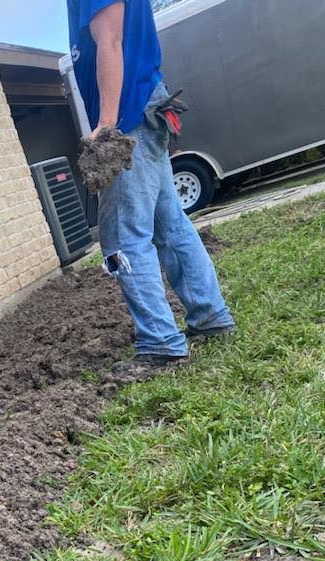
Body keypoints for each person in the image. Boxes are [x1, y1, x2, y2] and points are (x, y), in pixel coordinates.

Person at [68, 0, 235, 372]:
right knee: (170, 225)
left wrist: (108, 126)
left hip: (129, 118)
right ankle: (210, 319)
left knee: (122, 238)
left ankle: (161, 344)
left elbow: (110, 40)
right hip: (146, 109)